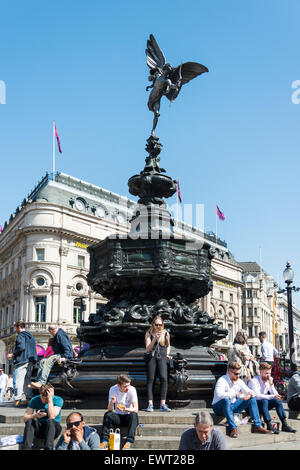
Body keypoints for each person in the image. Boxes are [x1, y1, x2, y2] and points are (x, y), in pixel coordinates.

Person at [212, 362, 273, 438]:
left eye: (239, 374)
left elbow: (251, 392)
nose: (238, 376)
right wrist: (235, 394)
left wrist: (247, 395)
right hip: (218, 407)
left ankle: (258, 426)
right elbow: (219, 394)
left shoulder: (239, 381)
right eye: (236, 374)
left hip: (232, 406)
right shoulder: (222, 380)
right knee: (226, 400)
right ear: (229, 372)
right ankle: (233, 428)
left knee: (252, 398)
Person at [248, 362, 296, 433]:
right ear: (260, 372)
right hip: (253, 407)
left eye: (270, 373)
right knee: (264, 400)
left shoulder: (268, 381)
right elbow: (257, 396)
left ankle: (284, 424)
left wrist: (271, 385)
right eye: (266, 373)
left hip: (264, 405)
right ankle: (269, 424)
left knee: (277, 401)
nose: (268, 375)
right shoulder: (253, 381)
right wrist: (273, 396)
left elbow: (275, 394)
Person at [100, 374, 139, 450]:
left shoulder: (132, 389)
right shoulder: (113, 389)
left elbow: (136, 409)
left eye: (128, 385)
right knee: (108, 415)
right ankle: (105, 441)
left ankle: (129, 442)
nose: (127, 388)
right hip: (118, 416)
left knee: (134, 415)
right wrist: (112, 402)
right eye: (125, 386)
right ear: (118, 385)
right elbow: (110, 410)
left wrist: (126, 409)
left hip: (128, 417)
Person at [30, 324, 74, 389]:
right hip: (59, 354)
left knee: (49, 360)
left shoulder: (60, 335)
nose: (51, 334)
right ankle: (38, 382)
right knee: (42, 361)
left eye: (50, 332)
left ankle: (42, 382)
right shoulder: (57, 335)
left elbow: (66, 346)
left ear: (52, 331)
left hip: (63, 355)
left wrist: (65, 357)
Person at [22, 383, 63, 450]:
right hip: (40, 428)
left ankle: (48, 448)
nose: (44, 401)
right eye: (42, 398)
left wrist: (50, 400)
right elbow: (25, 418)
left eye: (46, 398)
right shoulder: (34, 399)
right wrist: (35, 415)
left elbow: (52, 416)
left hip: (54, 429)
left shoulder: (58, 400)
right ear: (40, 394)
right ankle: (26, 448)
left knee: (50, 421)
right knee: (29, 421)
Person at [7, 321, 37, 407]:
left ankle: (18, 399)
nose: (15, 330)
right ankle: (28, 398)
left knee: (18, 381)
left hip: (22, 360)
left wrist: (12, 354)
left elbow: (21, 347)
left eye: (16, 328)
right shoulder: (30, 336)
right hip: (30, 360)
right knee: (27, 380)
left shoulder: (20, 335)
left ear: (19, 327)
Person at [145, 316, 172, 412]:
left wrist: (168, 354)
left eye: (160, 325)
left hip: (162, 356)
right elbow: (148, 348)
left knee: (164, 378)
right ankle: (150, 404)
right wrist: (154, 338)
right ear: (153, 324)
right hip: (152, 356)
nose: (158, 327)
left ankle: (163, 404)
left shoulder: (166, 333)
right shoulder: (148, 333)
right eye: (156, 324)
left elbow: (168, 346)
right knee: (150, 379)